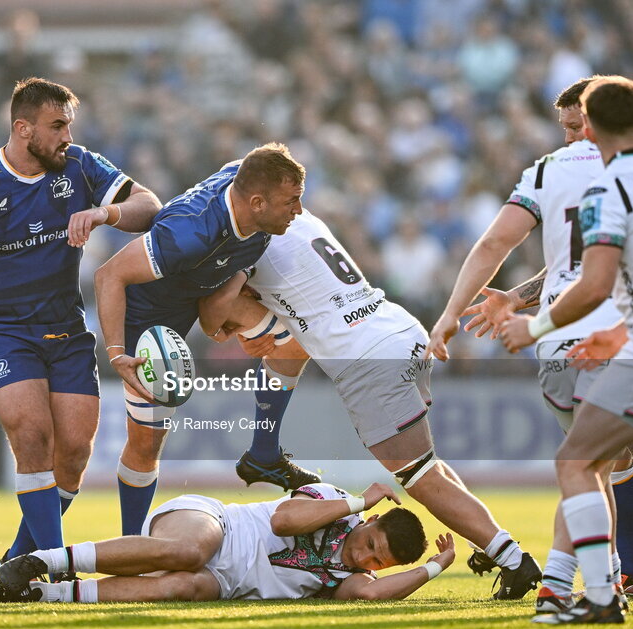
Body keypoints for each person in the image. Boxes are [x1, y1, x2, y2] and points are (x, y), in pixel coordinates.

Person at [427, 76, 633, 610]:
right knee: (615, 457)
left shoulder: (555, 170)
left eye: (577, 125)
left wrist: (454, 315)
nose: (572, 136)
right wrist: (521, 298)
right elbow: (583, 260)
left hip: (583, 335)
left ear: (598, 118)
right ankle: (628, 572)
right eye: (566, 128)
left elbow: (500, 242)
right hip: (632, 330)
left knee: (611, 456)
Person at [196, 208, 542, 601]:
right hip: (398, 328)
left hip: (368, 359)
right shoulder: (298, 218)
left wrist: (232, 328)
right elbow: (291, 312)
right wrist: (258, 329)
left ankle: (513, 559)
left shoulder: (247, 233)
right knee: (428, 466)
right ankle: (263, 452)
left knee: (420, 478)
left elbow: (218, 309)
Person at [500, 76, 633, 624]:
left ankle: (596, 594)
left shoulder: (605, 189)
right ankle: (629, 572)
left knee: (580, 461)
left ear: (589, 131)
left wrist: (534, 326)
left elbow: (594, 285)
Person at [0, 77, 162, 578]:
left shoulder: (79, 166)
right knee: (32, 437)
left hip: (67, 331)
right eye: (57, 127)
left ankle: (20, 557)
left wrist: (105, 212)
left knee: (74, 453)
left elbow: (150, 206)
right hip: (3, 332)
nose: (66, 137)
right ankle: (56, 569)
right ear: (22, 128)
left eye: (68, 126)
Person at [94, 143, 307, 537]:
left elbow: (259, 159)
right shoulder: (188, 234)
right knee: (146, 445)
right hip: (150, 320)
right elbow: (109, 275)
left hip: (202, 289)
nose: (298, 211)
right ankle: (132, 543)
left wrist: (230, 312)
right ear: (257, 203)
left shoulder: (251, 190)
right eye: (291, 202)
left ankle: (263, 454)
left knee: (293, 343)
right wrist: (117, 352)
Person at [0, 481, 456, 603]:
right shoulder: (335, 500)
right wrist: (355, 502)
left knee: (181, 586)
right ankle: (41, 560)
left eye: (378, 559)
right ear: (371, 519)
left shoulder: (353, 577)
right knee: (192, 552)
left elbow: (371, 592)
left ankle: (41, 592)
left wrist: (435, 568)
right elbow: (283, 520)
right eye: (371, 541)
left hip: (224, 581)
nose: (365, 557)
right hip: (213, 523)